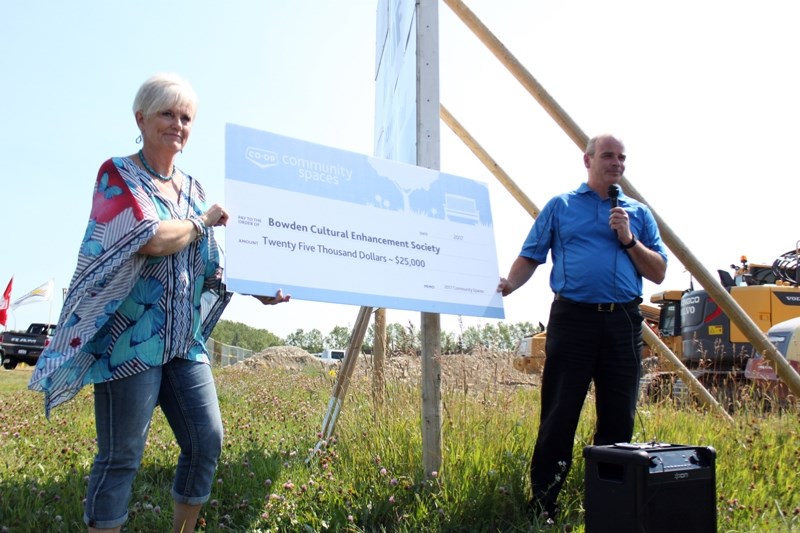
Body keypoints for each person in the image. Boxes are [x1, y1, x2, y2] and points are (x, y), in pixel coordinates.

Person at [28, 73, 290, 533]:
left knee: (206, 439)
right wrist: (204, 220)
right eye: (167, 113)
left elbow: (210, 265)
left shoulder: (193, 188)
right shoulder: (118, 173)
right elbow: (150, 238)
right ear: (141, 118)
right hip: (129, 341)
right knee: (122, 455)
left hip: (182, 341)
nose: (177, 124)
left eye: (185, 117)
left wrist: (259, 287)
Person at [497, 134, 667, 520]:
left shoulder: (637, 213)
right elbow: (530, 256)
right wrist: (508, 284)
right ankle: (543, 506)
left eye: (622, 157)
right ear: (587, 160)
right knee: (559, 414)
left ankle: (609, 508)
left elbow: (658, 272)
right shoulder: (561, 206)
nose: (617, 163)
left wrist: (628, 239)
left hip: (623, 323)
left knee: (618, 419)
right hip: (573, 321)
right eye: (608, 156)